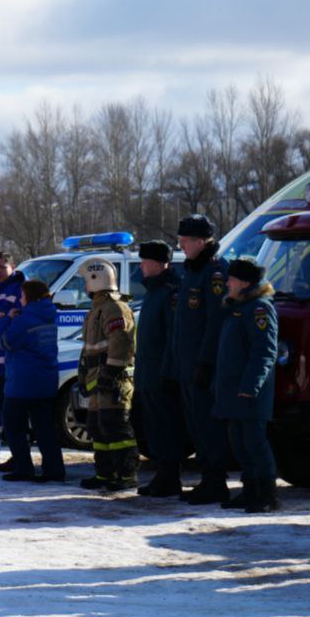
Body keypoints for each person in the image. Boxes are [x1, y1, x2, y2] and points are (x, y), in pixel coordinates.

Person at [165, 214, 230, 504]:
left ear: (200, 242)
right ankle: (207, 477)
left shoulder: (214, 272)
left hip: (202, 366)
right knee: (195, 424)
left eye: (185, 241)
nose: (181, 246)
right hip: (186, 365)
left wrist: (206, 362)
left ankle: (216, 481)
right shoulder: (192, 270)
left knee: (208, 424)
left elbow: (215, 322)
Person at [213, 259, 279, 513]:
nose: (227, 283)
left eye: (232, 279)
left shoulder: (259, 309)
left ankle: (267, 494)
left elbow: (265, 351)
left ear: (245, 282)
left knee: (254, 442)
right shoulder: (238, 307)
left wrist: (251, 385)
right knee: (239, 442)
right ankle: (250, 489)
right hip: (232, 390)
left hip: (249, 391)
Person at [77, 257, 138, 492]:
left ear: (96, 279)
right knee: (97, 427)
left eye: (86, 280)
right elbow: (89, 347)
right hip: (96, 377)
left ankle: (126, 474)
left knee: (116, 426)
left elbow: (121, 342)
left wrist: (111, 371)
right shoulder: (96, 310)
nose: (84, 285)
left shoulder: (114, 308)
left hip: (114, 378)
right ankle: (105, 474)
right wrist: (84, 374)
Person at [0, 279, 65, 483]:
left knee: (13, 425)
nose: (20, 299)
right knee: (45, 428)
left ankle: (23, 467)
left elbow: (4, 342)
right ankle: (54, 469)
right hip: (46, 381)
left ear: (29, 296)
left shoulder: (24, 319)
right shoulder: (49, 315)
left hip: (22, 383)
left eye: (22, 296)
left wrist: (4, 320)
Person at [134, 240, 184, 497]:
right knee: (153, 426)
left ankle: (169, 477)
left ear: (156, 263)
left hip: (161, 375)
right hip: (148, 373)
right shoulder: (153, 291)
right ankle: (163, 475)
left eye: (144, 261)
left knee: (166, 427)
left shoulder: (169, 292)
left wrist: (167, 372)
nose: (141, 266)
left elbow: (172, 338)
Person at [0, 251, 25, 471]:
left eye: (2, 267)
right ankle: (14, 454)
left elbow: (17, 324)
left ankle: (19, 456)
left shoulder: (16, 290)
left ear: (13, 267)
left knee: (12, 414)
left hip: (7, 363)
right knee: (2, 411)